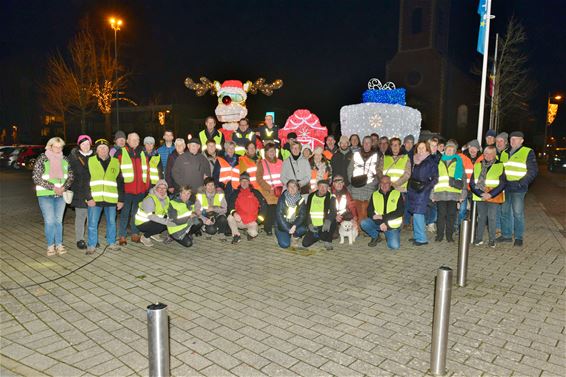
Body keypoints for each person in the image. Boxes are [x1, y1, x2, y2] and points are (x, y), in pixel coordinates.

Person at [33, 137, 74, 256]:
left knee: (58, 221)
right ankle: (50, 246)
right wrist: (53, 187)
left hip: (60, 195)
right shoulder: (42, 158)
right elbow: (36, 177)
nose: (58, 149)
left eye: (60, 146)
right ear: (50, 146)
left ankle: (59, 244)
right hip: (45, 195)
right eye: (56, 146)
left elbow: (70, 177)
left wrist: (64, 188)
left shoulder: (65, 159)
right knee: (50, 221)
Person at [498, 131, 538, 246]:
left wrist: (521, 183)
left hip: (519, 188)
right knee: (504, 212)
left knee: (517, 213)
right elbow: (502, 170)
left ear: (522, 141)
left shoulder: (527, 152)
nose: (512, 141)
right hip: (506, 187)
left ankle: (519, 237)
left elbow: (533, 171)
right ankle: (506, 235)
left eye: (515, 139)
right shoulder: (504, 153)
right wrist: (502, 182)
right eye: (511, 139)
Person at [85, 138, 124, 254]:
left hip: (111, 199)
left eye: (105, 148)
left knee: (112, 222)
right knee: (92, 223)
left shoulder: (115, 162)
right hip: (94, 199)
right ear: (96, 150)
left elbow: (120, 182)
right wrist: (88, 197)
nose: (103, 150)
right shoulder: (90, 161)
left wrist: (121, 199)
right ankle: (92, 245)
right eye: (100, 148)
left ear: (109, 150)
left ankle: (111, 243)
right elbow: (85, 181)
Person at [116, 132, 149, 245]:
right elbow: (117, 174)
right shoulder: (121, 152)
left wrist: (146, 187)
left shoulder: (143, 153)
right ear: (127, 141)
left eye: (137, 139)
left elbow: (147, 171)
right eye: (132, 139)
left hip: (140, 190)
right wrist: (119, 193)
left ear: (139, 141)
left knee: (136, 213)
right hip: (126, 190)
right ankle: (122, 236)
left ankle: (135, 233)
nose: (134, 141)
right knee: (125, 213)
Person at [470, 146, 505, 248]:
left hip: (493, 196)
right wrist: (480, 193)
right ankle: (479, 239)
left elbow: (502, 183)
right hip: (480, 196)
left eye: (490, 153)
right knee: (480, 218)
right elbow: (472, 183)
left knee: (492, 218)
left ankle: (492, 240)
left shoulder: (500, 165)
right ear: (483, 154)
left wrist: (490, 194)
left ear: (494, 155)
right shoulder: (477, 165)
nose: (488, 156)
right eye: (486, 153)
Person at [432, 140, 466, 243]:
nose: (449, 151)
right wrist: (432, 194)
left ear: (455, 151)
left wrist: (462, 195)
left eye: (452, 149)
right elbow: (434, 178)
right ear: (445, 150)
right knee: (441, 215)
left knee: (451, 215)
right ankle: (439, 235)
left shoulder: (458, 162)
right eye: (448, 149)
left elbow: (463, 180)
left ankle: (449, 236)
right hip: (440, 194)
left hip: (453, 194)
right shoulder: (439, 161)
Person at [408, 141, 438, 246]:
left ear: (427, 149)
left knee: (418, 213)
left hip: (422, 191)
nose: (421, 150)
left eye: (423, 148)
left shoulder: (430, 161)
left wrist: (426, 187)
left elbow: (435, 178)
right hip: (414, 189)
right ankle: (417, 236)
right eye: (419, 148)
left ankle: (422, 239)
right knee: (415, 213)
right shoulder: (416, 159)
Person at [361, 175, 404, 249]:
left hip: (391, 226)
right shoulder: (375, 194)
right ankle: (376, 236)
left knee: (394, 246)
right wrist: (380, 222)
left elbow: (400, 211)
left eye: (386, 183)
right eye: (382, 183)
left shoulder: (397, 194)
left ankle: (388, 235)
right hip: (379, 223)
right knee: (364, 223)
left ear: (390, 184)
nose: (384, 185)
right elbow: (370, 211)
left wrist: (384, 218)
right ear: (380, 183)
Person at [68, 135, 93, 250]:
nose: (86, 146)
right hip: (79, 191)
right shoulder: (73, 157)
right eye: (83, 144)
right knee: (81, 216)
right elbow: (69, 175)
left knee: (92, 217)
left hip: (93, 191)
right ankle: (80, 239)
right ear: (79, 145)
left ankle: (92, 239)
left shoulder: (94, 156)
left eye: (87, 144)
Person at [347, 136, 379, 225]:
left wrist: (374, 182)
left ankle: (366, 226)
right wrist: (352, 180)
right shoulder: (356, 154)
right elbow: (350, 169)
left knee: (367, 207)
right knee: (357, 206)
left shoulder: (376, 155)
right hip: (356, 185)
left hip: (369, 185)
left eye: (368, 142)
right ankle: (359, 227)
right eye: (365, 142)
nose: (366, 144)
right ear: (362, 143)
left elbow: (379, 170)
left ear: (372, 144)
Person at [227, 173, 266, 244]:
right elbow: (230, 206)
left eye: (246, 181)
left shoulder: (256, 192)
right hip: (240, 221)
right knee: (230, 217)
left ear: (249, 182)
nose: (244, 183)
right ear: (240, 182)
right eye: (242, 181)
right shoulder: (235, 193)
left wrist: (258, 221)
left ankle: (249, 231)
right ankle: (236, 235)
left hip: (252, 221)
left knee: (253, 233)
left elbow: (264, 207)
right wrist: (234, 213)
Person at [256, 142, 283, 236]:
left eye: (273, 151)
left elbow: (283, 176)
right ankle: (268, 228)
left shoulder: (280, 162)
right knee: (270, 209)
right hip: (268, 190)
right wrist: (269, 188)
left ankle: (275, 226)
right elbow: (259, 178)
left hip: (279, 190)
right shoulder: (262, 163)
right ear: (266, 152)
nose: (272, 153)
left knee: (278, 209)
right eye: (270, 151)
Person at [302, 180, 337, 250]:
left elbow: (333, 211)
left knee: (333, 221)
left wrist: (328, 221)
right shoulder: (311, 196)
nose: (323, 188)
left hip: (324, 224)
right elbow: (307, 211)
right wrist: (309, 224)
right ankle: (317, 235)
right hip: (314, 225)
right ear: (317, 187)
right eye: (321, 186)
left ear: (328, 188)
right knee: (305, 244)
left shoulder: (331, 197)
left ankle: (328, 241)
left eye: (325, 187)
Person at [457, 139, 483, 230]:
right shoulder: (461, 157)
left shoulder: (483, 158)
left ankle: (472, 228)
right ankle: (460, 227)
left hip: (476, 189)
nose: (473, 150)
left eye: (475, 148)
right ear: (468, 148)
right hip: (464, 188)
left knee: (475, 211)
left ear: (478, 149)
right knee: (462, 210)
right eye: (471, 147)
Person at [135, 179, 170, 247]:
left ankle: (154, 233)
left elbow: (168, 211)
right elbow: (151, 216)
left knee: (169, 220)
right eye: (160, 187)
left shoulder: (166, 198)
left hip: (153, 221)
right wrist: (166, 221)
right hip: (142, 223)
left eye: (164, 188)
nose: (162, 190)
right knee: (165, 224)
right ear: (156, 188)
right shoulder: (150, 199)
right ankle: (145, 237)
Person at [275, 180, 307, 249]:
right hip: (282, 225)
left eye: (294, 186)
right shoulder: (282, 199)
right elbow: (279, 215)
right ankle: (280, 234)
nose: (292, 188)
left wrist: (295, 226)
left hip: (293, 225)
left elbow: (302, 215)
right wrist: (288, 229)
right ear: (287, 188)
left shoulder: (301, 200)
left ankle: (294, 237)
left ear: (298, 188)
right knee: (285, 245)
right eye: (290, 186)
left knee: (303, 229)